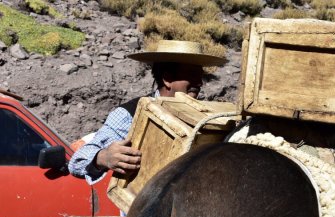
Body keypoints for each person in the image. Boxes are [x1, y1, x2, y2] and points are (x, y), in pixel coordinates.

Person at [68, 40, 226, 184]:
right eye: (192, 75)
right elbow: (77, 162)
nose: (199, 82)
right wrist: (103, 157)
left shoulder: (206, 117)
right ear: (167, 79)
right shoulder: (129, 114)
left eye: (200, 76)